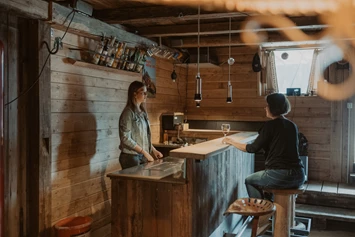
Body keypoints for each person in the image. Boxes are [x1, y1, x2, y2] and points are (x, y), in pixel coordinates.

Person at [222, 93, 305, 200]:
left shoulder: (270, 125)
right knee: (266, 184)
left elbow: (252, 148)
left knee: (250, 181)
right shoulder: (292, 125)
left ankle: (261, 213)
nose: (265, 108)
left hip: (281, 176)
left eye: (267, 105)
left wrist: (231, 141)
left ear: (273, 107)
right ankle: (269, 206)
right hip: (299, 175)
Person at [119, 81, 163, 169]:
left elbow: (144, 137)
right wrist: (144, 152)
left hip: (141, 156)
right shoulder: (128, 113)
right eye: (143, 93)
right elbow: (125, 138)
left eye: (146, 93)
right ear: (134, 94)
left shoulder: (142, 112)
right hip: (131, 157)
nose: (146, 95)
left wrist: (153, 150)